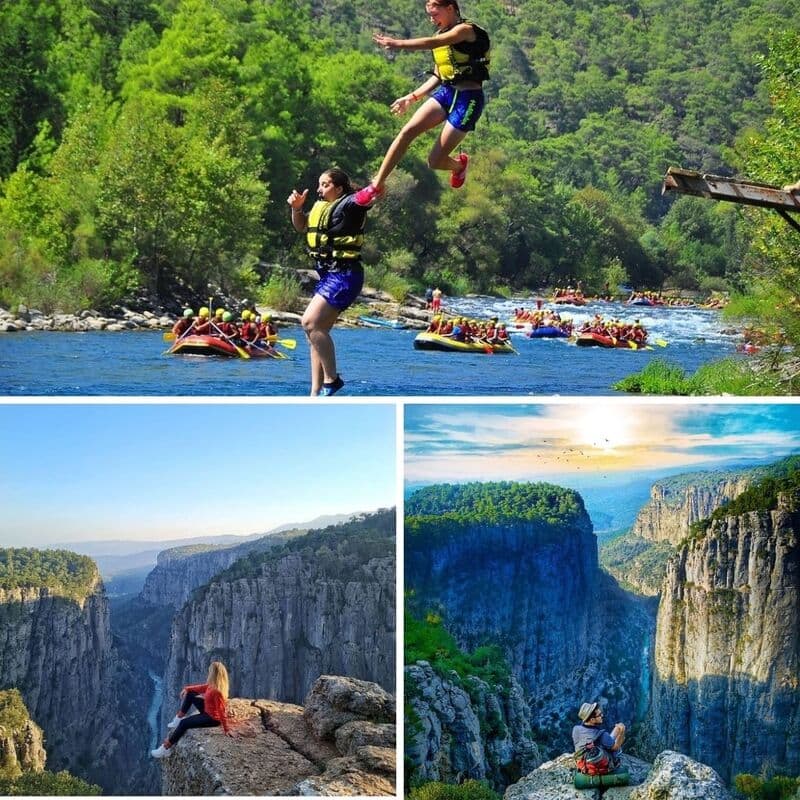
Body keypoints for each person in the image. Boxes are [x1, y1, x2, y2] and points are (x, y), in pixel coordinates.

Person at [353, 0, 490, 205]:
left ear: (450, 9)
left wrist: (397, 43)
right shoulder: (440, 37)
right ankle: (376, 185)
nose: (431, 20)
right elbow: (438, 74)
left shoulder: (465, 30)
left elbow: (432, 43)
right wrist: (412, 96)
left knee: (434, 162)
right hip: (446, 92)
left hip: (468, 99)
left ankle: (459, 166)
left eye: (435, 14)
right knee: (407, 132)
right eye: (430, 15)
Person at [288, 168, 372, 396]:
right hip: (328, 275)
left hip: (345, 274)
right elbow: (301, 226)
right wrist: (296, 209)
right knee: (314, 334)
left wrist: (376, 186)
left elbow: (367, 196)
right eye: (319, 184)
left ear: (339, 188)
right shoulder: (320, 207)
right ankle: (315, 393)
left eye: (324, 184)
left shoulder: (350, 206)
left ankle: (332, 379)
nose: (319, 189)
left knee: (309, 323)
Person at [151, 661, 235, 758]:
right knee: (190, 694)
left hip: (212, 718)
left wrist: (226, 729)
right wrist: (187, 688)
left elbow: (221, 710)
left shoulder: (217, 691)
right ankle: (177, 718)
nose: (208, 673)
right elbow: (199, 688)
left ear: (214, 674)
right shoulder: (211, 685)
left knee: (184, 723)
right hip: (207, 710)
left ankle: (165, 748)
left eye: (210, 671)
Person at [572, 702, 626, 773]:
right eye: (599, 715)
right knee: (618, 744)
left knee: (616, 730)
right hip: (600, 764)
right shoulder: (602, 735)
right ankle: (613, 762)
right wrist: (622, 732)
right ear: (592, 720)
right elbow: (616, 747)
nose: (602, 715)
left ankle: (616, 732)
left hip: (583, 762)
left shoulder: (576, 729)